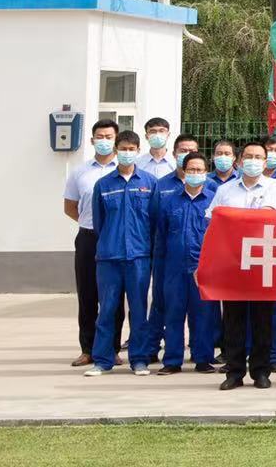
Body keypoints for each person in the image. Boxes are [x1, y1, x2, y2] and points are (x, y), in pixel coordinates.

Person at [208, 139, 276, 389]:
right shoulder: (225, 190)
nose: (253, 161)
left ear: (265, 162)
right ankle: (234, 372)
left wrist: (234, 218)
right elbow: (214, 221)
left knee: (263, 319)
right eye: (248, 157)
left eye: (258, 157)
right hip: (232, 260)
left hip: (263, 260)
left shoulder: (274, 185)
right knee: (233, 319)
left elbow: (267, 215)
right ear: (240, 162)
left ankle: (261, 371)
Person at [83, 130, 157, 376]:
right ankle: (102, 360)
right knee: (107, 310)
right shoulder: (103, 185)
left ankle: (139, 359)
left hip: (139, 257)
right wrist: (109, 243)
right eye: (123, 149)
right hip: (109, 258)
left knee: (139, 311)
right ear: (116, 151)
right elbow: (99, 223)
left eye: (131, 149)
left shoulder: (149, 183)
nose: (127, 153)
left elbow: (154, 221)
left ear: (138, 151)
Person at [63, 118, 123, 367]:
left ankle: (112, 349)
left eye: (109, 137)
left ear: (116, 141)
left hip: (117, 238)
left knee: (114, 296)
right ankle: (87, 349)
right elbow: (70, 206)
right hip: (88, 238)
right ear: (92, 140)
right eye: (100, 136)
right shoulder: (80, 172)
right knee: (87, 294)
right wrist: (91, 224)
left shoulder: (125, 169)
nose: (104, 141)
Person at [152, 151, 218, 375]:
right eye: (191, 170)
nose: (195, 173)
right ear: (183, 171)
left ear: (206, 173)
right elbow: (160, 237)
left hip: (203, 268)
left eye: (199, 170)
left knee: (203, 315)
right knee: (173, 314)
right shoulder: (169, 201)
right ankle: (172, 360)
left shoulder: (214, 201)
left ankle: (203, 358)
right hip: (174, 268)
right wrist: (159, 269)